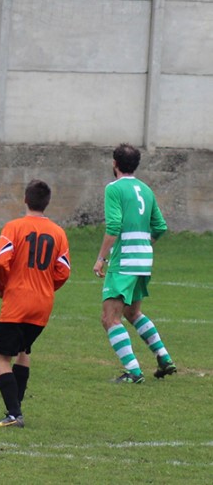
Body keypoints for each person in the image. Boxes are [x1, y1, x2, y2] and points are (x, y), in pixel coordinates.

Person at [0, 180, 70, 428]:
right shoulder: (58, 233)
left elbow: (0, 263)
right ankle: (17, 408)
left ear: (25, 199)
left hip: (17, 302)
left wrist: (2, 286)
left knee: (1, 356)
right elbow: (63, 271)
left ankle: (14, 414)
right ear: (47, 203)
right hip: (42, 304)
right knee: (24, 350)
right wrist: (46, 286)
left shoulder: (14, 228)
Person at [93, 143, 175, 384]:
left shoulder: (114, 189)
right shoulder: (145, 189)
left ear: (115, 164)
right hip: (143, 259)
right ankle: (164, 358)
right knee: (132, 312)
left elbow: (114, 226)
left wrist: (101, 259)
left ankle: (133, 372)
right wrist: (145, 244)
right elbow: (160, 226)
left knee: (110, 318)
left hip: (125, 260)